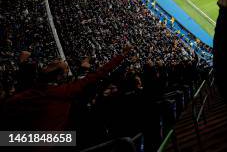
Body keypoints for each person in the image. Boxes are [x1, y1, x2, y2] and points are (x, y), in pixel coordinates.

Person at [2, 45, 132, 131]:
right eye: (59, 64)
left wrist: (22, 64)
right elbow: (99, 74)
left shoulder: (31, 88)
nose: (55, 61)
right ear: (59, 77)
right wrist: (122, 55)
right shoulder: (66, 91)